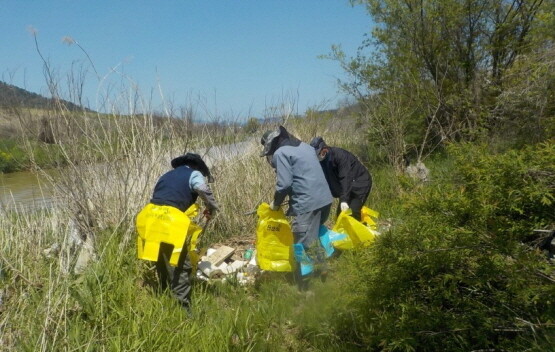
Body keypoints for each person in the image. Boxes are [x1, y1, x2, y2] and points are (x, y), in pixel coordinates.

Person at [260, 126, 332, 288]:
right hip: (324, 199)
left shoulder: (281, 153)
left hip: (307, 203)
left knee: (303, 243)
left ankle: (307, 285)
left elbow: (284, 184)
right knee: (313, 239)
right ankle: (323, 276)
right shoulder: (305, 147)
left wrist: (276, 203)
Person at [148, 153, 219, 310]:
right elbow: (201, 188)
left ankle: (165, 300)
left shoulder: (166, 175)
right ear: (197, 166)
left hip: (150, 218)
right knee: (181, 265)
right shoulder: (194, 174)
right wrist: (212, 206)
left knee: (162, 262)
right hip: (170, 220)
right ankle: (182, 309)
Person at [309, 137, 372, 222]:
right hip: (347, 186)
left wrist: (344, 200)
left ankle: (360, 234)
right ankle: (346, 234)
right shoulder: (322, 161)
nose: (318, 156)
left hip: (360, 183)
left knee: (353, 212)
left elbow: (345, 178)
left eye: (319, 153)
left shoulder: (340, 156)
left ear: (325, 148)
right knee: (340, 217)